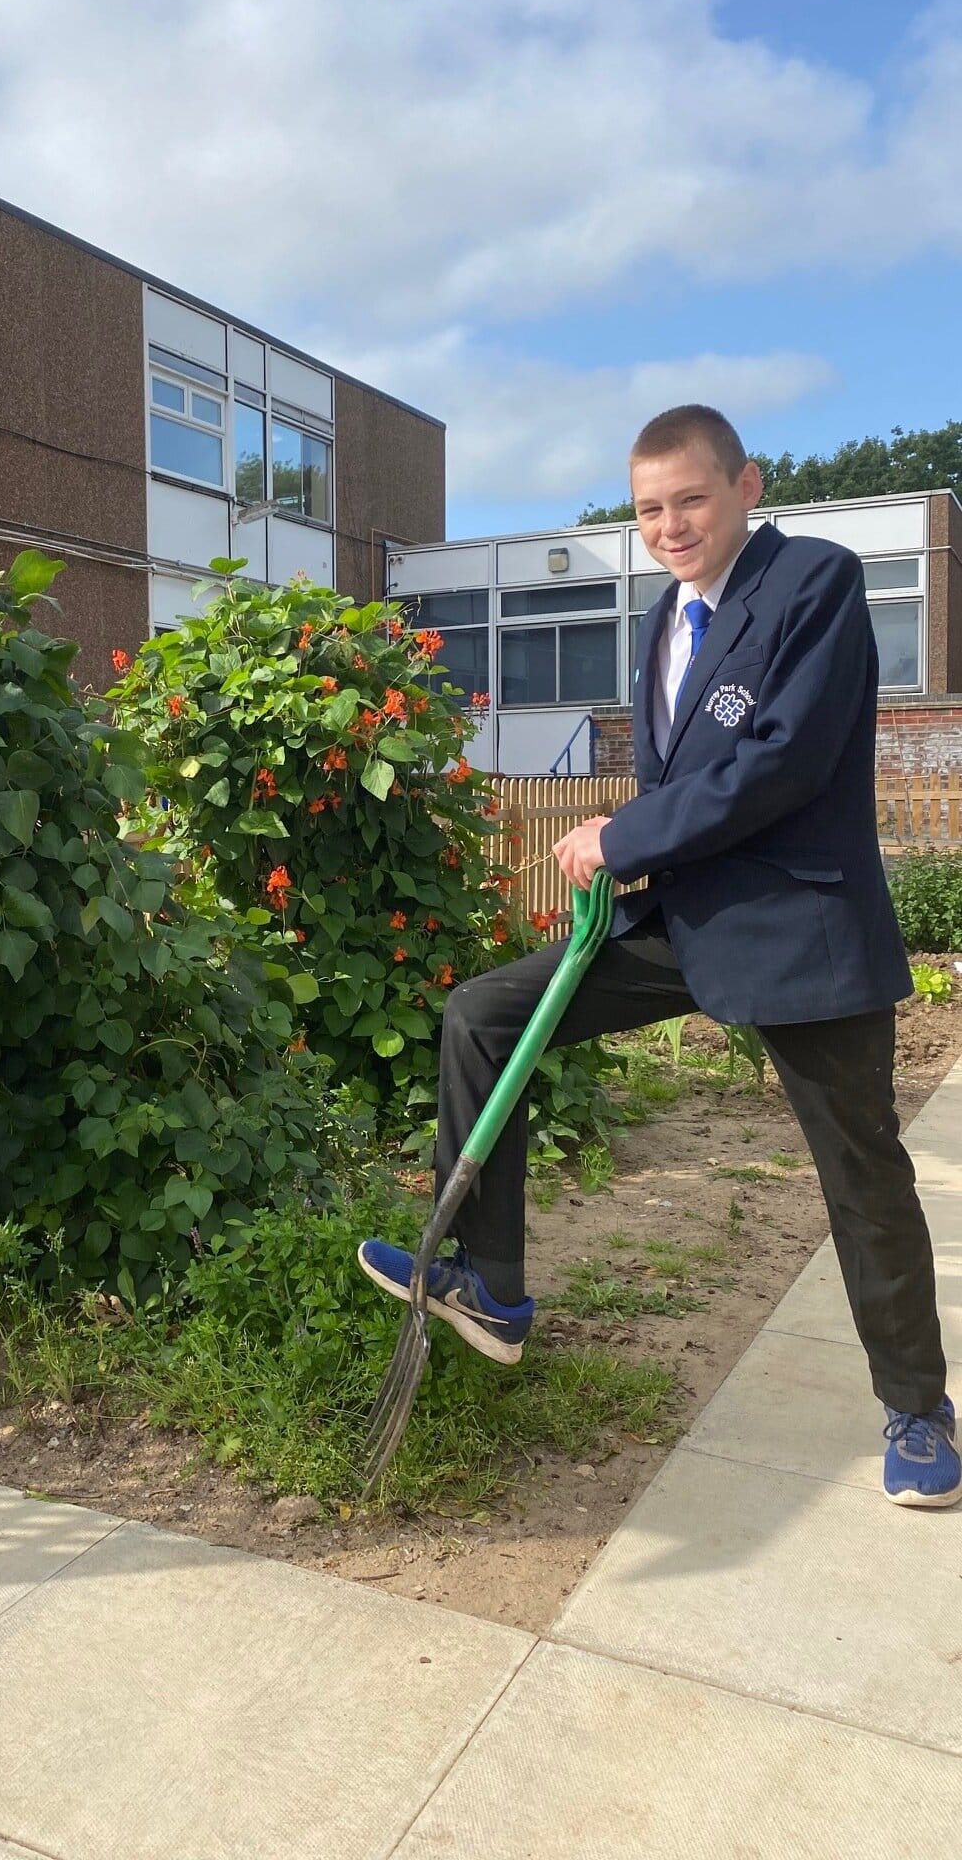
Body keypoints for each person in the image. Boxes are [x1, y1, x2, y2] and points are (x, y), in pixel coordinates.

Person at [359, 404, 959, 1508]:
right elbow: (678, 775)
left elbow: (782, 764)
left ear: (746, 487)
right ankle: (491, 1287)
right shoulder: (661, 617)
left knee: (861, 1178)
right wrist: (632, 857)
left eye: (690, 498)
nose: (670, 525)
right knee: (484, 1017)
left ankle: (918, 1410)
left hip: (800, 933)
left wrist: (623, 835)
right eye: (649, 508)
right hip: (680, 924)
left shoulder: (811, 586)